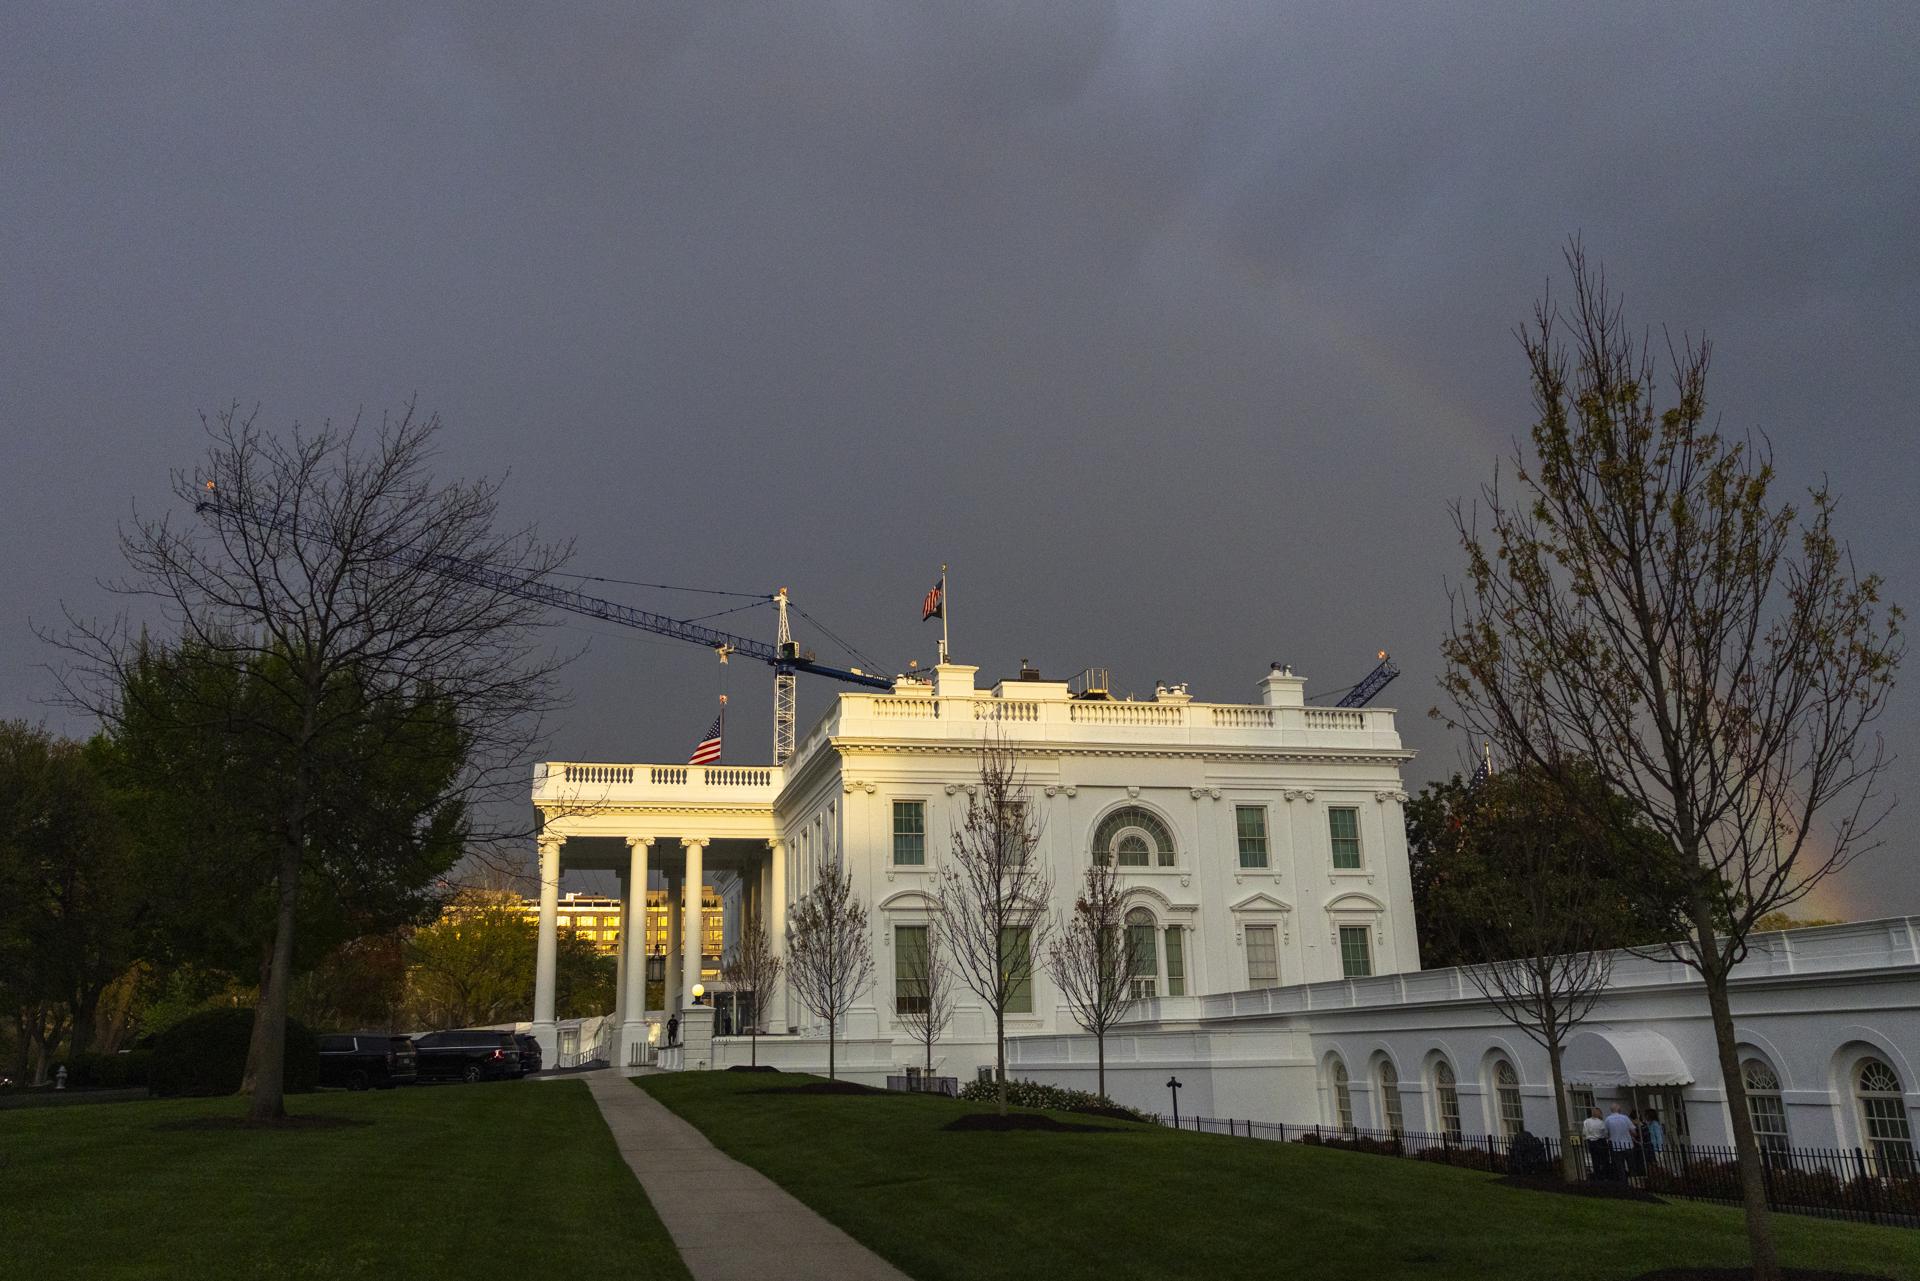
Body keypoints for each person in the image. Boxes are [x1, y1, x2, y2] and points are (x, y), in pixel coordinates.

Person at [1604, 1104, 1637, 1180]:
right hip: (1628, 1145)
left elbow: (1606, 1134)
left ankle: (1623, 1183)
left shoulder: (1608, 1119)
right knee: (1632, 1165)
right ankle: (1634, 1181)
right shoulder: (1625, 1118)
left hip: (1616, 1146)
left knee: (1620, 1167)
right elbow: (1634, 1132)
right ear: (1619, 1109)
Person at [1582, 1107, 1610, 1180]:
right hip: (1600, 1141)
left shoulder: (1586, 1121)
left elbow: (1584, 1133)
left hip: (1591, 1142)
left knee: (1595, 1160)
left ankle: (1597, 1175)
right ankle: (1605, 1175)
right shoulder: (1601, 1122)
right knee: (1604, 1159)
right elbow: (1605, 1134)